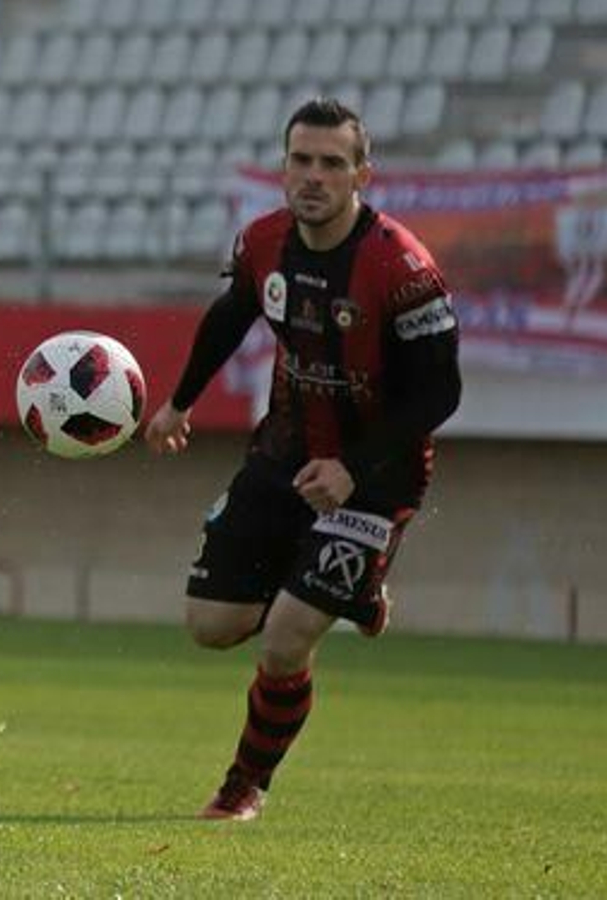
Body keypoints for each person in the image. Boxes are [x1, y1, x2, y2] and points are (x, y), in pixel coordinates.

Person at [143, 97, 462, 821]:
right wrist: (179, 402)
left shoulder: (402, 266)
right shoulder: (264, 242)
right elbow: (233, 313)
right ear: (284, 165)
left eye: (331, 163)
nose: (312, 176)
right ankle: (345, 594)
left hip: (377, 477)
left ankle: (242, 787)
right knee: (210, 625)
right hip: (286, 452)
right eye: (300, 160)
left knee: (287, 638)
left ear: (361, 176)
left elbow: (441, 389)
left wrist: (353, 469)